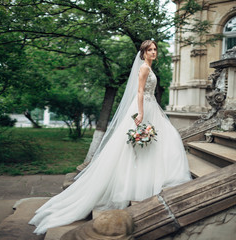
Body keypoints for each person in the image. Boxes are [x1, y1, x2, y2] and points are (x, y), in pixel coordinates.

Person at [29, 40, 191, 235]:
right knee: (139, 146)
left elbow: (148, 94)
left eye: (155, 49)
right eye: (150, 50)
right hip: (143, 109)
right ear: (143, 52)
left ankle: (150, 179)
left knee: (161, 141)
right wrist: (140, 114)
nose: (154, 52)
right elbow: (140, 92)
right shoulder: (144, 68)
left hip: (151, 108)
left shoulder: (148, 67)